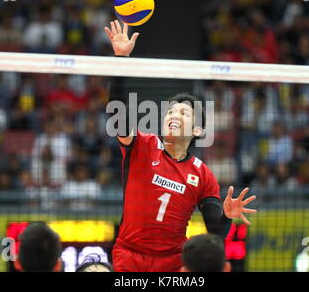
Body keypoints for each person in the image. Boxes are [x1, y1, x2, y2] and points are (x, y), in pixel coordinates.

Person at [104, 20, 257, 272]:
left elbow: (216, 232)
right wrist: (121, 61)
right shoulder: (142, 144)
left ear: (197, 131)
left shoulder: (202, 174)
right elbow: (117, 115)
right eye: (170, 112)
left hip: (174, 262)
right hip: (129, 255)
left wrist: (227, 217)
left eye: (183, 114)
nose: (174, 115)